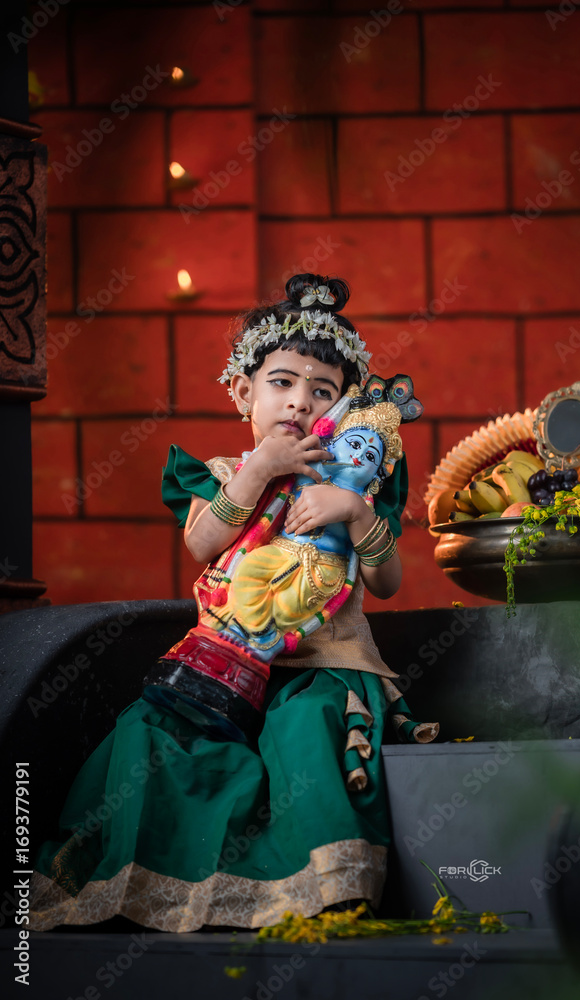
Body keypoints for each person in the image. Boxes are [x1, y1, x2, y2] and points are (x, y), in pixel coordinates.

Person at [29, 273, 437, 933]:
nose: (300, 402)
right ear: (242, 391)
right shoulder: (222, 475)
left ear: (344, 410)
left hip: (320, 667)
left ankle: (323, 890)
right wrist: (259, 468)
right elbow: (202, 544)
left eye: (322, 390)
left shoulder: (353, 482)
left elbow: (386, 584)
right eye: (281, 383)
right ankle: (153, 884)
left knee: (306, 731)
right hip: (219, 668)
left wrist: (357, 516)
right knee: (150, 737)